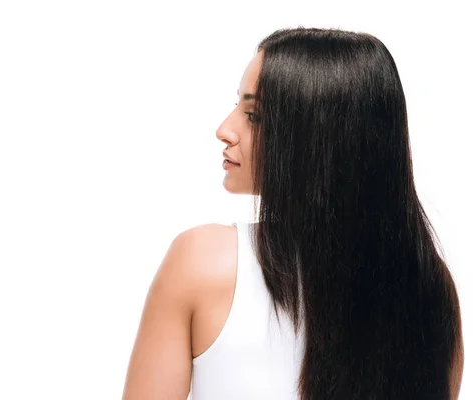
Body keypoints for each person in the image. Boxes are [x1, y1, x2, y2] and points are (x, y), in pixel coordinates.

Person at [121, 27, 464, 399]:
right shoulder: (429, 288)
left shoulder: (204, 261)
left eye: (254, 115)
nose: (225, 130)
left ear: (319, 136)